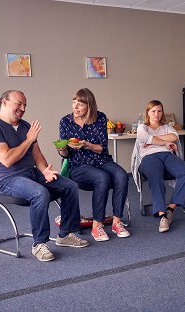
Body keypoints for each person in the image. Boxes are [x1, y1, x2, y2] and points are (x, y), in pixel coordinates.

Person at [0, 90, 89, 262]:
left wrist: (45, 170)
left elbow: (37, 155)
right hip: (6, 179)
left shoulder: (24, 126)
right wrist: (29, 139)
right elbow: (7, 159)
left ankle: (65, 234)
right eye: (19, 103)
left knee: (70, 186)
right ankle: (39, 244)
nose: (23, 108)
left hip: (31, 173)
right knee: (40, 193)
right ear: (4, 102)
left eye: (25, 105)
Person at [57, 88, 130, 242]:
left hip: (101, 160)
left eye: (80, 104)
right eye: (74, 102)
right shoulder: (65, 122)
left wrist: (86, 144)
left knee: (122, 175)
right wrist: (62, 149)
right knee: (102, 178)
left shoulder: (100, 118)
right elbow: (65, 155)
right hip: (78, 165)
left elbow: (102, 147)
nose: (75, 107)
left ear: (89, 106)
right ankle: (97, 225)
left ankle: (117, 222)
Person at [132, 100, 185, 232]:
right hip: (149, 158)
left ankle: (170, 208)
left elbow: (174, 137)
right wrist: (164, 142)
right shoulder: (142, 127)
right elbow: (144, 138)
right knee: (155, 176)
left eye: (159, 111)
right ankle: (162, 216)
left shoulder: (167, 127)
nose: (157, 114)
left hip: (167, 156)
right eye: (153, 111)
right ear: (147, 112)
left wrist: (153, 140)